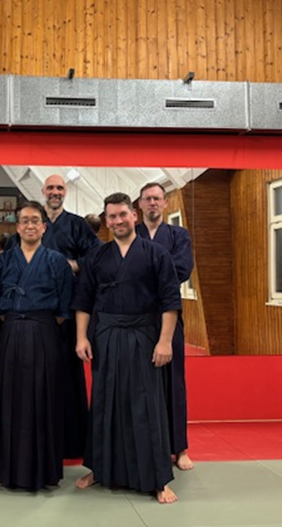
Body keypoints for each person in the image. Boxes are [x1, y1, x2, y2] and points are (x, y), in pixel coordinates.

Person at [73, 192, 181, 504]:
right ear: (106, 221)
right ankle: (100, 469)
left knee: (146, 404)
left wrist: (164, 341)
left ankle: (158, 478)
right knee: (105, 401)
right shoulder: (96, 256)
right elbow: (83, 301)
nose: (118, 221)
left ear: (134, 215)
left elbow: (170, 301)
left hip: (143, 334)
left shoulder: (156, 254)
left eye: (123, 214)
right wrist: (81, 337)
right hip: (105, 335)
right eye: (112, 216)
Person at [6, 174, 101, 458]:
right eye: (51, 188)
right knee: (32, 376)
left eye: (59, 187)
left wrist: (69, 265)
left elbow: (95, 257)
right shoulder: (30, 224)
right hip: (33, 313)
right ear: (43, 191)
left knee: (67, 374)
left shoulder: (77, 225)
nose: (55, 192)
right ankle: (34, 438)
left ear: (66, 191)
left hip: (66, 311)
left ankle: (69, 440)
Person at [0, 201, 74, 490]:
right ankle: (10, 470)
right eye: (24, 221)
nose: (30, 225)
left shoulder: (57, 261)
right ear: (17, 227)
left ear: (44, 227)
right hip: (12, 330)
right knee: (11, 398)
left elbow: (64, 308)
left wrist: (38, 323)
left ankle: (44, 470)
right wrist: (18, 322)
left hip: (46, 331)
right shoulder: (2, 261)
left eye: (35, 220)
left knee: (45, 397)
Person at [136, 182, 195, 471]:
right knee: (138, 382)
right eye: (147, 199)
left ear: (165, 203)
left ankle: (179, 448)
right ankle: (141, 444)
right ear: (139, 204)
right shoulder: (130, 233)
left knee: (174, 381)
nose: (152, 203)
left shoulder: (178, 235)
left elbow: (181, 269)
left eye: (157, 198)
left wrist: (143, 270)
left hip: (167, 313)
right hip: (136, 317)